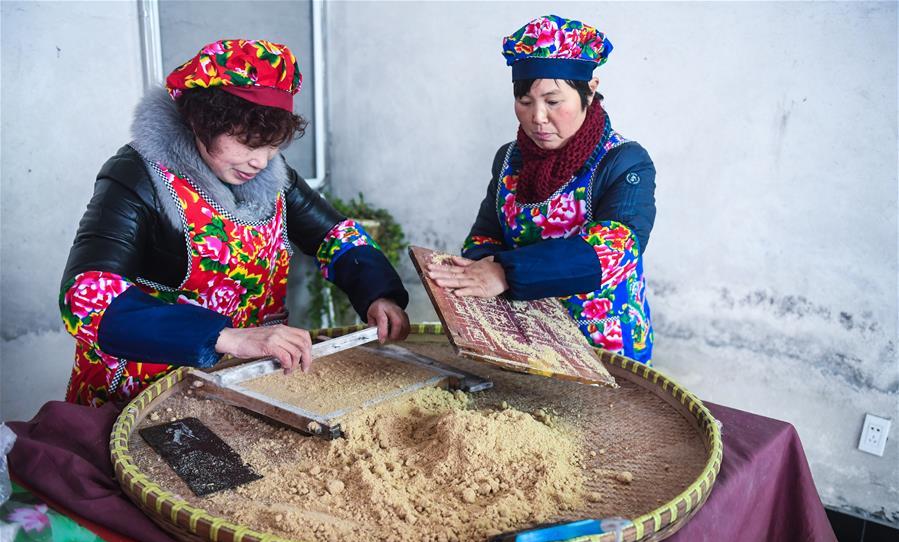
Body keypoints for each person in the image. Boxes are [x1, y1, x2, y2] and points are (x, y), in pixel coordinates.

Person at [60, 39, 410, 407]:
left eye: (272, 146)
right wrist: (229, 338)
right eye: (246, 143)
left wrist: (378, 293)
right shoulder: (137, 177)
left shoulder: (271, 177)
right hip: (148, 388)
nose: (259, 161)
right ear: (201, 122)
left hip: (240, 380)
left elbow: (333, 235)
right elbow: (85, 297)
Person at [428, 16, 655, 364]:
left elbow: (615, 252)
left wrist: (504, 272)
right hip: (525, 337)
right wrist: (474, 270)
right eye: (524, 100)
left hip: (602, 348)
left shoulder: (624, 162)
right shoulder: (509, 160)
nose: (537, 117)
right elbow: (485, 236)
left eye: (552, 101)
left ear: (589, 90)